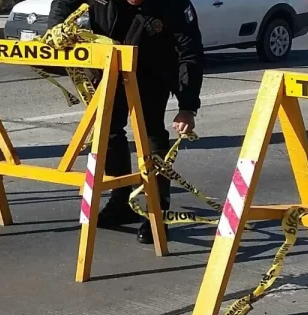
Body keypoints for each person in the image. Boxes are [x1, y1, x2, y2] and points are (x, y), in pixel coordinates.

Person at [48, 0, 205, 244]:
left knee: (150, 134)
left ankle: (157, 211)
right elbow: (62, 3)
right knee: (109, 130)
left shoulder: (174, 4)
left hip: (153, 72)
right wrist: (57, 28)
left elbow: (190, 52)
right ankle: (121, 200)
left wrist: (187, 107)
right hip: (109, 69)